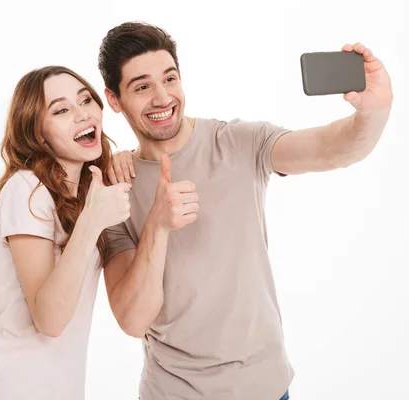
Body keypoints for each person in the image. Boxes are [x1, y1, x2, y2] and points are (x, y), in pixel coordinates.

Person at [97, 22, 393, 399]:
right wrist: (157, 224)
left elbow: (331, 149)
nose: (162, 97)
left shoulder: (238, 143)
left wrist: (374, 112)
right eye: (142, 87)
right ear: (114, 99)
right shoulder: (115, 190)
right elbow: (133, 319)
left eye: (169, 79)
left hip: (264, 388)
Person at [0, 65, 135, 400]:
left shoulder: (85, 194)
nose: (81, 114)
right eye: (61, 110)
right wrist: (92, 222)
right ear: (38, 133)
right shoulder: (27, 189)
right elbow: (50, 320)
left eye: (85, 100)